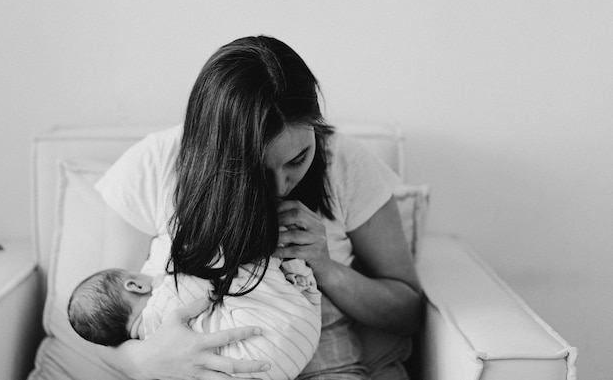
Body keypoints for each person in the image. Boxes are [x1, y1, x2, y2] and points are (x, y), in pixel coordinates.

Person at [94, 35, 423, 380]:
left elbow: (407, 311)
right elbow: (103, 319)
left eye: (298, 159)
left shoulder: (346, 164)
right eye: (260, 173)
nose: (282, 186)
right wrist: (145, 360)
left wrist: (326, 267)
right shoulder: (153, 164)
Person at [67, 257, 321, 380]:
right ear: (135, 285)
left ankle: (299, 283)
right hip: (271, 339)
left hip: (269, 369)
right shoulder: (164, 300)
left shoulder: (149, 339)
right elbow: (202, 276)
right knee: (241, 268)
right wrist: (174, 268)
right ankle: (295, 278)